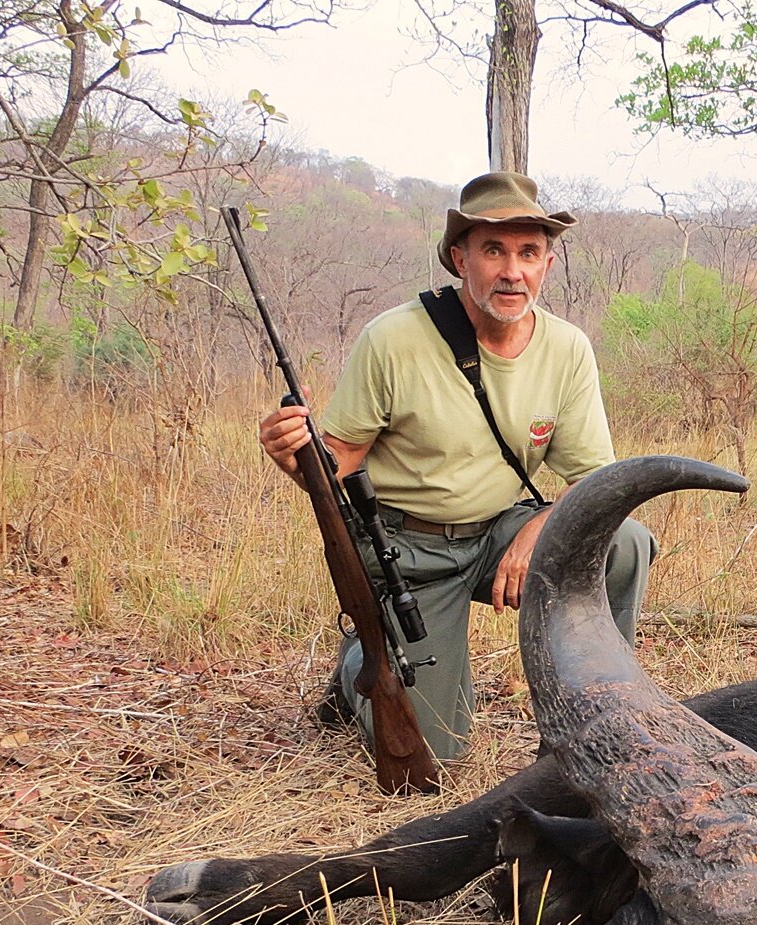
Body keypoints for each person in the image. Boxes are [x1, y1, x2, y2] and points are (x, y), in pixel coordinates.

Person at [258, 172, 655, 761]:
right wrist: (295, 456)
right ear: (458, 257)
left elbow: (594, 485)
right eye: (493, 250)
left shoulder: (568, 348)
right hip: (408, 550)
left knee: (622, 540)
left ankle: (606, 709)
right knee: (436, 753)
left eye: (528, 253)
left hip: (501, 528)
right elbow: (338, 462)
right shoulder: (391, 339)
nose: (511, 271)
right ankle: (357, 671)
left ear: (547, 264)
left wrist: (536, 529)